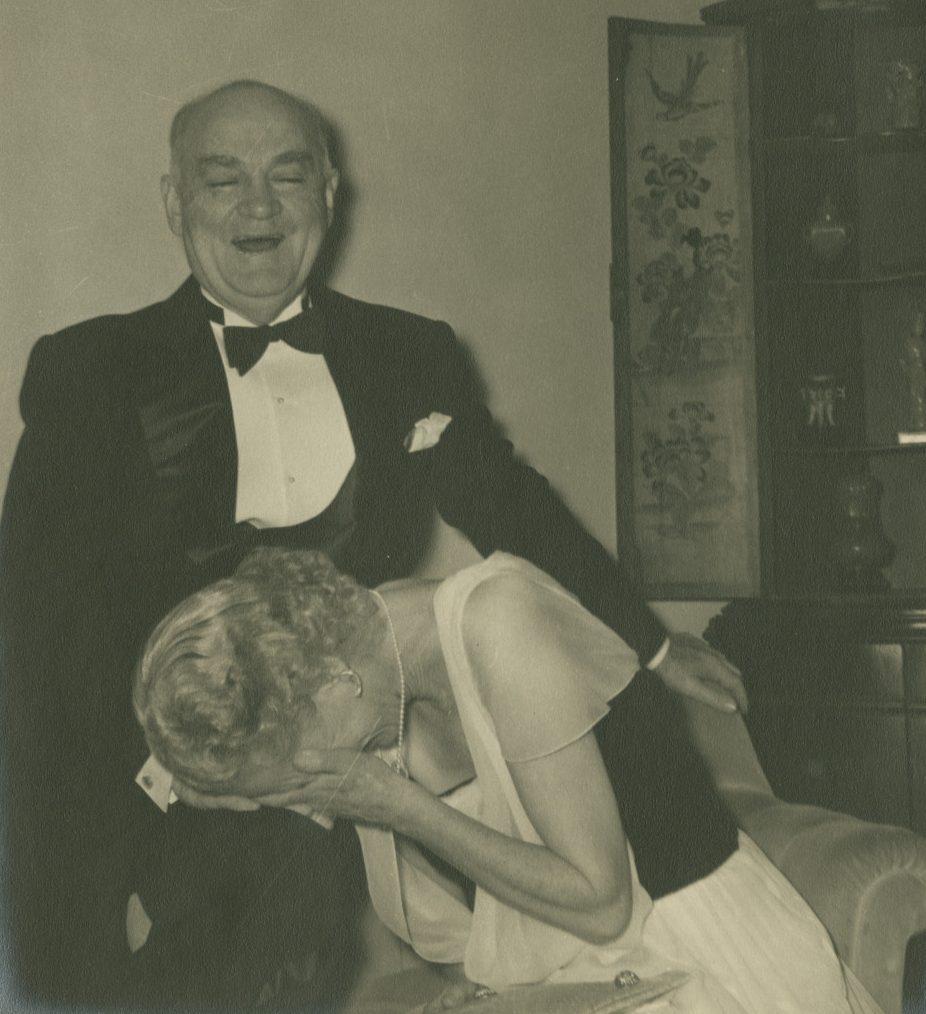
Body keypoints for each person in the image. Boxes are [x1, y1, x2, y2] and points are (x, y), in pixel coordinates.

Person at [0, 79, 744, 1007]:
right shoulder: (89, 367)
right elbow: (33, 613)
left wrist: (654, 643)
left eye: (287, 176)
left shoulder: (409, 352)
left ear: (328, 195)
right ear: (174, 203)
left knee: (307, 901)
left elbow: (513, 507)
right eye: (223, 181)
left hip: (349, 763)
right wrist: (174, 768)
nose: (259, 208)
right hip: (154, 772)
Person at [134, 547, 881, 1014]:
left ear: (331, 685)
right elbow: (480, 925)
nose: (311, 796)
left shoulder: (497, 619)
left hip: (715, 963)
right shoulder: (347, 670)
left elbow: (602, 904)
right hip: (593, 986)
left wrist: (400, 805)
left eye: (298, 778)